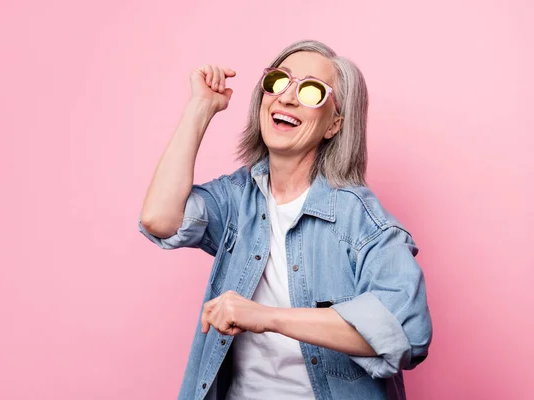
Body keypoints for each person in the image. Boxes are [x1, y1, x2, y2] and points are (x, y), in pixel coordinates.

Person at [139, 40, 432, 400]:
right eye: (279, 81)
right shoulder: (238, 198)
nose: (287, 98)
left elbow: (407, 332)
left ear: (334, 125)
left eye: (311, 91)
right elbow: (159, 219)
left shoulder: (361, 221)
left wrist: (268, 317)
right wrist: (201, 107)